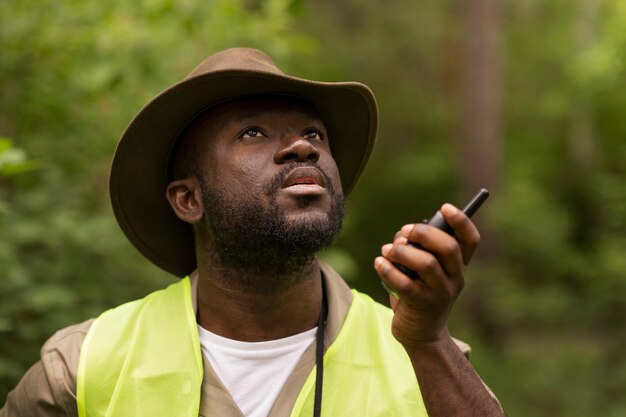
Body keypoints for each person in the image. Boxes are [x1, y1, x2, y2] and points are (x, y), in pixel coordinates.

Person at [1, 47, 504, 417]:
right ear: (188, 200)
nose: (302, 149)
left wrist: (429, 339)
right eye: (253, 133)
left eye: (313, 134)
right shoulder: (80, 366)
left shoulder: (423, 355)